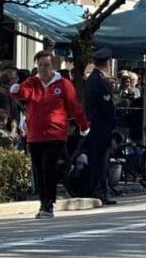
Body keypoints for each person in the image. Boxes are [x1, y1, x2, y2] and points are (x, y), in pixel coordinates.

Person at [12, 50, 90, 219]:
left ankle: (49, 204)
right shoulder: (32, 82)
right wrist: (16, 89)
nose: (43, 68)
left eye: (46, 65)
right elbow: (22, 94)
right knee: (39, 170)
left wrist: (83, 125)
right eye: (40, 65)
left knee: (49, 168)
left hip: (55, 134)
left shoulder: (63, 84)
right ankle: (42, 202)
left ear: (53, 65)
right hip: (35, 135)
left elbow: (74, 107)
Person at [83, 47, 118, 206]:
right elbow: (107, 109)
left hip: (95, 126)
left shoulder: (93, 80)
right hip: (100, 127)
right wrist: (112, 129)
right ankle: (99, 192)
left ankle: (98, 191)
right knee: (100, 161)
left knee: (98, 160)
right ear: (108, 63)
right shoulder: (100, 82)